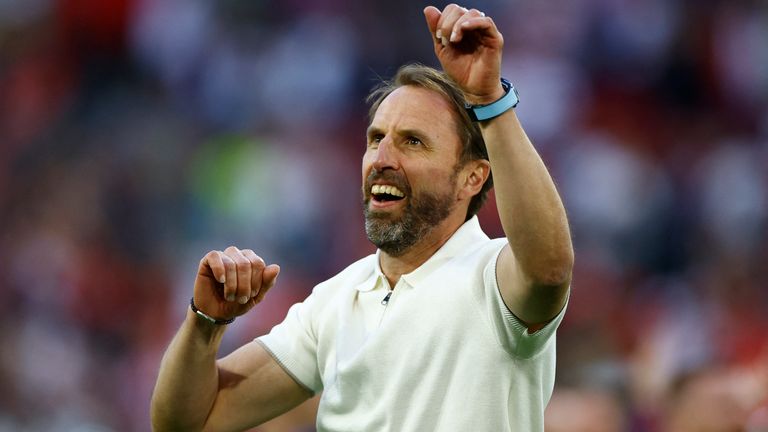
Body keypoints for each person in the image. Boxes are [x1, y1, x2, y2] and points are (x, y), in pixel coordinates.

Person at [151, 4, 573, 431]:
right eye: (376, 139)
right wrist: (205, 324)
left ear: (471, 178)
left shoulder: (495, 281)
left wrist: (488, 101)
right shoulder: (334, 302)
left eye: (412, 142)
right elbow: (186, 422)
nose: (382, 158)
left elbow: (549, 269)